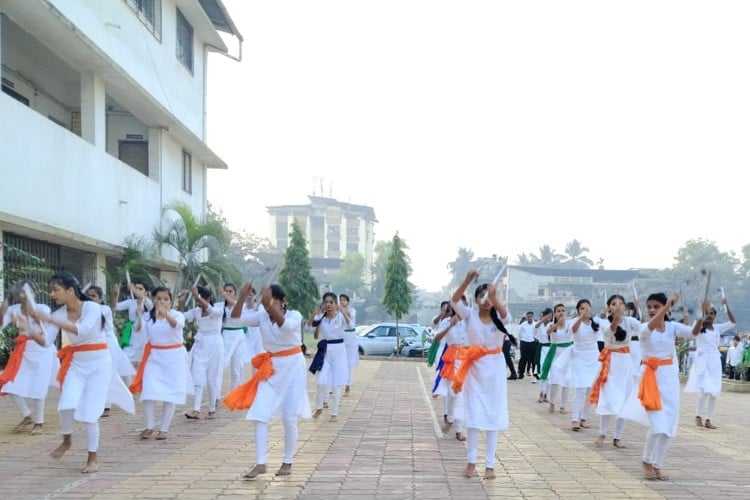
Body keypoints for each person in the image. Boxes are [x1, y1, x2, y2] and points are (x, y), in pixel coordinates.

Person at [35, 271, 134, 473]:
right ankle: (67, 441)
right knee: (65, 405)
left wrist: (51, 321)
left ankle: (92, 457)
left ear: (70, 290)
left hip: (99, 363)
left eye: (56, 290)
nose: (52, 294)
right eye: (51, 290)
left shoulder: (92, 308)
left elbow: (83, 329)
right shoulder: (57, 315)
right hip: (77, 364)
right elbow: (46, 342)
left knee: (90, 413)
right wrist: (31, 330)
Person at [225, 283, 311, 479]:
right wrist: (241, 297)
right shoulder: (261, 317)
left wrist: (268, 303)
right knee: (259, 413)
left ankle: (287, 461)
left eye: (271, 300)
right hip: (271, 368)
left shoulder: (294, 316)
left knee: (289, 417)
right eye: (265, 301)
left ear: (282, 302)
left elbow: (285, 325)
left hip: (294, 368)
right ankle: (260, 462)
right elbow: (235, 319)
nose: (267, 305)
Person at [625, 292, 702, 481]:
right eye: (649, 306)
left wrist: (701, 316)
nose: (651, 310)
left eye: (656, 307)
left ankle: (658, 464)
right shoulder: (644, 327)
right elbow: (650, 326)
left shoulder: (672, 327)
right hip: (650, 378)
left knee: (670, 425)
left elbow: (693, 333)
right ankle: (646, 460)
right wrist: (667, 307)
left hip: (669, 379)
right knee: (658, 424)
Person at [450, 270, 511, 480]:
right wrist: (467, 279)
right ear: (476, 300)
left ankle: (490, 465)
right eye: (482, 296)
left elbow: (505, 314)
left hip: (495, 369)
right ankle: (471, 462)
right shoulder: (469, 316)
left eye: (489, 296)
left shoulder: (501, 319)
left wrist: (494, 296)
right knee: (474, 415)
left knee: (493, 416)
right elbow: (455, 300)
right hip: (474, 369)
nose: (485, 300)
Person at [129, 286, 191, 440]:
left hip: (174, 357)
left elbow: (177, 325)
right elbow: (138, 330)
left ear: (171, 301)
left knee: (170, 393)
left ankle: (164, 428)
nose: (162, 301)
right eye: (158, 298)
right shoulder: (149, 317)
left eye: (166, 299)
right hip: (154, 356)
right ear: (153, 299)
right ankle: (149, 425)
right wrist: (138, 315)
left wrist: (166, 315)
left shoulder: (177, 315)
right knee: (148, 391)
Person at [0, 281, 57, 435]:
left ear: (34, 293)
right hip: (24, 350)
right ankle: (27, 416)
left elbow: (43, 322)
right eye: (22, 292)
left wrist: (30, 305)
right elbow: (1, 323)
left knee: (39, 386)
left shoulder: (43, 308)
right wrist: (6, 302)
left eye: (28, 292)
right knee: (9, 384)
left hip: (42, 348)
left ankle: (39, 422)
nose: (24, 295)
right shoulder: (14, 309)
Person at [590, 294, 640, 448]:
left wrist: (641, 311)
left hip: (625, 364)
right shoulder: (605, 322)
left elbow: (645, 329)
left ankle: (617, 437)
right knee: (608, 399)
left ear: (625, 307)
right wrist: (616, 319)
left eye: (620, 303)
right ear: (609, 307)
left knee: (624, 401)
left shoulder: (631, 322)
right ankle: (602, 433)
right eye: (613, 303)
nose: (617, 306)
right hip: (610, 364)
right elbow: (610, 331)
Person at [684, 297, 736, 429]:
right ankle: (698, 416)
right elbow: (693, 330)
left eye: (712, 313)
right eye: (707, 313)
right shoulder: (699, 326)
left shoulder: (718, 328)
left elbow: (733, 322)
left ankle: (709, 419)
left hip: (715, 360)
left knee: (715, 390)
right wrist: (701, 311)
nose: (710, 316)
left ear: (715, 316)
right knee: (705, 389)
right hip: (702, 359)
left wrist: (727, 306)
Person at [85, 285, 136, 417]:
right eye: (88, 295)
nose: (90, 298)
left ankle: (106, 405)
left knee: (107, 373)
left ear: (100, 298)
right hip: (94, 345)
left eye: (94, 296)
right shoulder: (86, 309)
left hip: (108, 344)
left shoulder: (104, 309)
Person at [180, 286, 224, 420]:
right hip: (201, 344)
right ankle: (196, 410)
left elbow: (210, 309)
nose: (197, 303)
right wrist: (181, 303)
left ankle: (212, 409)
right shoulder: (196, 311)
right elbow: (181, 318)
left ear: (208, 298)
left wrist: (196, 296)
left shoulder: (217, 310)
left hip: (215, 345)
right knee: (197, 376)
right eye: (196, 300)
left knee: (212, 379)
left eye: (199, 299)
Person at [308, 292, 350, 422]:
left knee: (336, 383)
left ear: (335, 304)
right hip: (326, 351)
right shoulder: (322, 318)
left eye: (331, 302)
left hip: (339, 350)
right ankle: (319, 408)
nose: (328, 305)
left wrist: (343, 312)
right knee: (321, 380)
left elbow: (350, 325)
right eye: (326, 302)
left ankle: (334, 413)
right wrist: (314, 314)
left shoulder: (340, 317)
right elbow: (310, 325)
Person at [432, 299, 467, 441]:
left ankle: (459, 429)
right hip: (452, 359)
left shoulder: (470, 321)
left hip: (466, 358)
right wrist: (449, 326)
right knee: (452, 394)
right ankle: (449, 417)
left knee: (461, 394)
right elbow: (437, 338)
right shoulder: (446, 322)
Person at [569, 299, 600, 431]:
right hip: (579, 356)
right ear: (578, 310)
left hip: (593, 356)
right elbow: (574, 330)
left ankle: (583, 418)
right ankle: (574, 419)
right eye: (582, 308)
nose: (585, 310)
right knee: (581, 388)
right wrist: (581, 316)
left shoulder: (595, 323)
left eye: (587, 308)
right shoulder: (574, 322)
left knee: (591, 389)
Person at [110, 279, 152, 366]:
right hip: (132, 331)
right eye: (136, 288)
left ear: (146, 292)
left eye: (140, 289)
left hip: (144, 332)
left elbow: (146, 303)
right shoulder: (130, 302)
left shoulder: (148, 302)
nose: (137, 290)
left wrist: (133, 289)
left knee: (142, 360)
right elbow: (115, 307)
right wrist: (115, 294)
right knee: (126, 357)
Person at [541, 304, 573, 414]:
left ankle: (563, 406)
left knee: (566, 381)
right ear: (555, 313)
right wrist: (558, 324)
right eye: (558, 311)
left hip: (567, 353)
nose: (561, 313)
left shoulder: (569, 325)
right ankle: (552, 403)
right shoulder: (550, 325)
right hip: (556, 353)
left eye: (563, 311)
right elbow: (548, 332)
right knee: (554, 379)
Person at [218, 283, 248, 391]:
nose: (227, 293)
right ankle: (216, 393)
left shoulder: (240, 305)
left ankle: (235, 393)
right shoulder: (219, 305)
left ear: (235, 293)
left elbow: (234, 304)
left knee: (237, 367)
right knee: (220, 365)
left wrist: (222, 293)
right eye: (226, 291)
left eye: (230, 291)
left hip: (238, 336)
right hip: (225, 335)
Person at [339, 293, 359, 395]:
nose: (342, 301)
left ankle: (348, 386)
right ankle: (336, 384)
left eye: (344, 300)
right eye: (340, 300)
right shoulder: (337, 312)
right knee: (339, 361)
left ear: (347, 302)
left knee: (349, 363)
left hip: (351, 337)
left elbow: (349, 319)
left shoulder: (352, 311)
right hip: (342, 337)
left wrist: (342, 311)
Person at [534, 308, 553, 402]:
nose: (549, 317)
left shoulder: (552, 324)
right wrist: (543, 319)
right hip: (543, 349)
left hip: (551, 349)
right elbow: (535, 327)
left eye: (551, 316)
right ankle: (541, 393)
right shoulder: (540, 324)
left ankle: (546, 395)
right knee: (543, 372)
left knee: (550, 374)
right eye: (548, 315)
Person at [517, 311, 537, 379]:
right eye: (528, 316)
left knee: (533, 359)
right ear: (526, 317)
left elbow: (537, 333)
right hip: (524, 342)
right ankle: (521, 374)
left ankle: (535, 374)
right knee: (523, 359)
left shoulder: (535, 324)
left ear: (533, 317)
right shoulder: (523, 324)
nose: (529, 318)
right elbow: (519, 333)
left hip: (532, 342)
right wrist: (521, 340)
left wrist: (535, 339)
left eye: (530, 316)